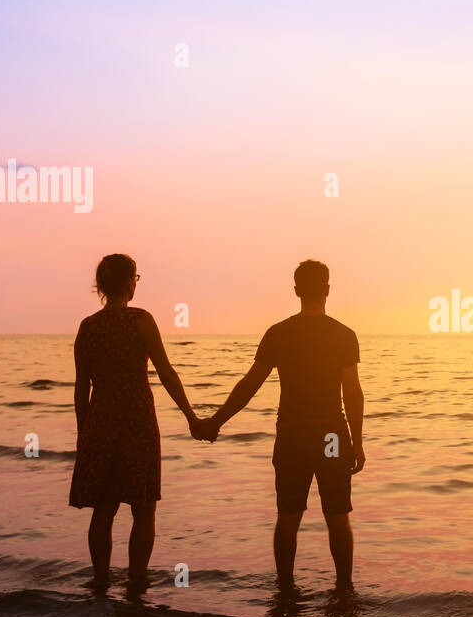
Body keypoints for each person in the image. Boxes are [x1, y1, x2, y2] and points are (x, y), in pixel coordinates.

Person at [194, 260, 365, 594]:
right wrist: (356, 442)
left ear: (297, 290)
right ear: (327, 289)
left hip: (292, 434)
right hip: (331, 434)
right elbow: (352, 391)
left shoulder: (279, 333)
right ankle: (344, 588)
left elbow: (248, 386)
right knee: (337, 514)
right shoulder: (344, 335)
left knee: (288, 515)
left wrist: (215, 421)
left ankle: (285, 588)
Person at [69, 253, 202, 589]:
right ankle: (136, 583)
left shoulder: (88, 327)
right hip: (137, 421)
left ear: (100, 285)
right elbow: (167, 373)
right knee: (143, 509)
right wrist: (191, 416)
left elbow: (81, 386)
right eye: (136, 278)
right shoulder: (141, 320)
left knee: (104, 509)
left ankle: (100, 582)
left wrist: (83, 432)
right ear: (130, 282)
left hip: (100, 421)